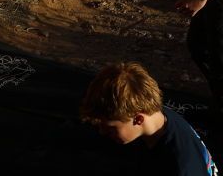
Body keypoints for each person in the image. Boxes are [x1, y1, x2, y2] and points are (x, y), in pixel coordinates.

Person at [80, 62, 218, 175]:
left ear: (138, 119)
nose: (102, 132)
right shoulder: (157, 116)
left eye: (110, 129)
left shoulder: (180, 167)